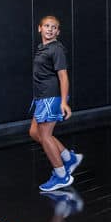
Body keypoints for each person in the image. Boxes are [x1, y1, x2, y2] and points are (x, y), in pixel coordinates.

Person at [29, 15, 82, 192]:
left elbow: (63, 76)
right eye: (47, 26)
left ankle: (61, 175)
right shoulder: (42, 47)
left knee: (45, 136)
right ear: (40, 28)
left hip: (50, 97)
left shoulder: (56, 49)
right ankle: (69, 158)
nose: (50, 29)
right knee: (34, 132)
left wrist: (64, 102)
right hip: (41, 97)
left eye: (54, 27)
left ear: (58, 32)